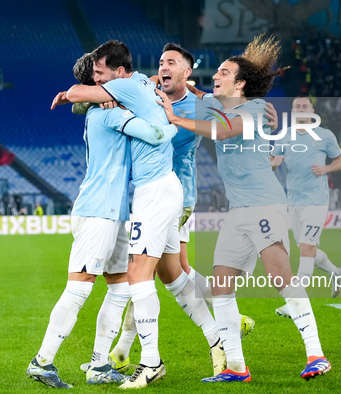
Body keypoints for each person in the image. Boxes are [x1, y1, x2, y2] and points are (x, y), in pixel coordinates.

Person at [156, 34, 331, 382]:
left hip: (265, 203)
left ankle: (316, 354)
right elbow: (196, 92)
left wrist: (175, 119)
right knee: (222, 286)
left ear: (240, 83)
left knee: (280, 274)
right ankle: (237, 367)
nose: (216, 76)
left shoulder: (252, 109)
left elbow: (222, 132)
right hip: (238, 210)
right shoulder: (217, 104)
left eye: (224, 72)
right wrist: (158, 82)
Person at [53, 40, 224, 388]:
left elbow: (75, 95)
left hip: (162, 190)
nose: (164, 67)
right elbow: (86, 104)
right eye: (161, 61)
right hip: (159, 190)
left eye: (172, 62)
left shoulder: (144, 90)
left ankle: (149, 361)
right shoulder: (144, 85)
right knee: (172, 276)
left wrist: (180, 118)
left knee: (139, 276)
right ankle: (220, 342)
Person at [27, 52, 178, 389]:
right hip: (97, 212)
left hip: (113, 213)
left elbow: (122, 89)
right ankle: (42, 361)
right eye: (96, 77)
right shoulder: (108, 115)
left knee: (120, 287)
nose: (102, 82)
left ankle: (99, 365)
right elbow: (155, 135)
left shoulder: (105, 109)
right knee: (78, 288)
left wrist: (74, 97)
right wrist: (172, 122)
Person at [270, 96, 341, 318]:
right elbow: (273, 163)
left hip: (316, 201)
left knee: (305, 248)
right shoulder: (285, 136)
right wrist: (273, 163)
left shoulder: (324, 135)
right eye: (297, 106)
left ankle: (295, 302)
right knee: (308, 250)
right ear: (293, 112)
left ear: (313, 110)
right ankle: (336, 272)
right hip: (293, 201)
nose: (301, 109)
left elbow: (340, 162)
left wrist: (326, 169)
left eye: (305, 106)